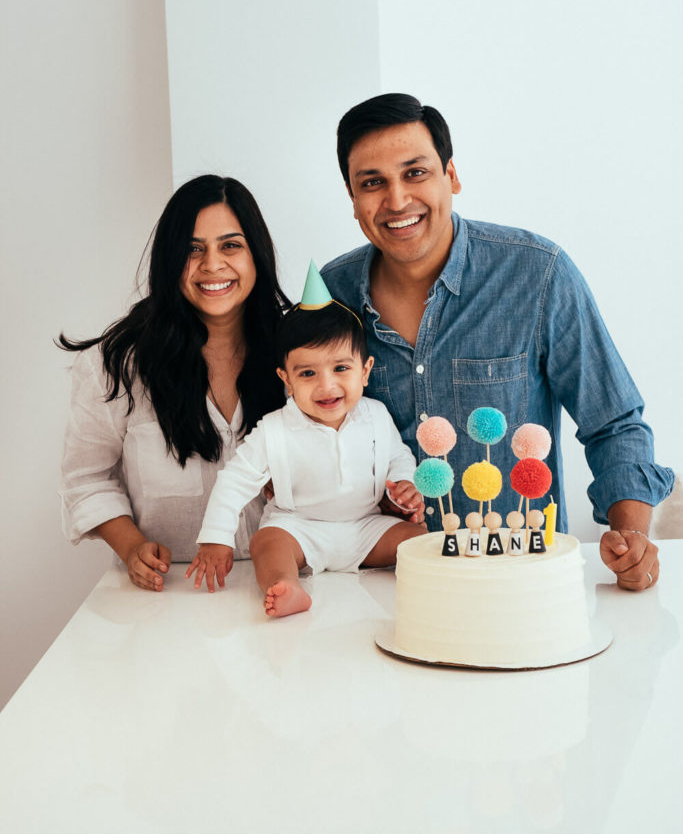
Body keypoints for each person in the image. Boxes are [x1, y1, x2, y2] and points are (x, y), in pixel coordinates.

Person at [321, 93, 674, 592]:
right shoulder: (331, 298)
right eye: (372, 183)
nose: (397, 200)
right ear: (353, 200)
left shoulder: (537, 274)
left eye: (415, 173)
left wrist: (631, 534)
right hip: (379, 585)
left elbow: (614, 423)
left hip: (520, 585)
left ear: (452, 176)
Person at [58, 175, 290, 591]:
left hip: (282, 593)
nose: (212, 265)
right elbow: (87, 477)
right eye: (192, 249)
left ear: (257, 254)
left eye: (231, 245)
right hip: (169, 597)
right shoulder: (114, 366)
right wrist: (132, 547)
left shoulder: (301, 355)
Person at [186, 274, 426, 617]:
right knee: (265, 544)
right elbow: (235, 480)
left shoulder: (376, 415)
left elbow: (398, 457)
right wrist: (216, 537)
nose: (326, 386)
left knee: (418, 538)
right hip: (299, 528)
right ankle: (285, 586)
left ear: (365, 371)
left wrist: (404, 485)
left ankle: (429, 581)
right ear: (286, 379)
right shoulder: (275, 430)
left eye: (341, 368)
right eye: (307, 374)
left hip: (366, 526)